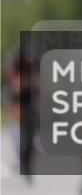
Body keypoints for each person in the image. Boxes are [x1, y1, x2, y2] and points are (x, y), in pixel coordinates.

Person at [3, 40, 38, 181]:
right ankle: (18, 154)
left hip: (30, 95)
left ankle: (27, 158)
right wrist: (19, 83)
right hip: (16, 95)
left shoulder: (35, 60)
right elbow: (12, 79)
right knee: (17, 122)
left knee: (32, 128)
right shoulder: (14, 58)